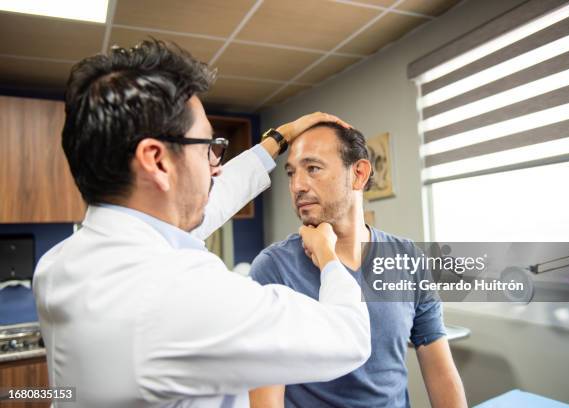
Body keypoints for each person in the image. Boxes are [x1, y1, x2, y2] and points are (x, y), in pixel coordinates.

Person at [33, 39, 371, 407]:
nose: (217, 165)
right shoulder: (178, 292)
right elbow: (349, 336)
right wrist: (327, 257)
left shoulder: (59, 265)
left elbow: (204, 204)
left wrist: (277, 140)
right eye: (207, 146)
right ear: (157, 161)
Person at [249, 122, 467, 408]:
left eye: (312, 168)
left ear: (359, 174)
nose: (297, 186)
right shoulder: (273, 268)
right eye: (291, 173)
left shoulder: (409, 259)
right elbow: (266, 399)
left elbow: (441, 373)